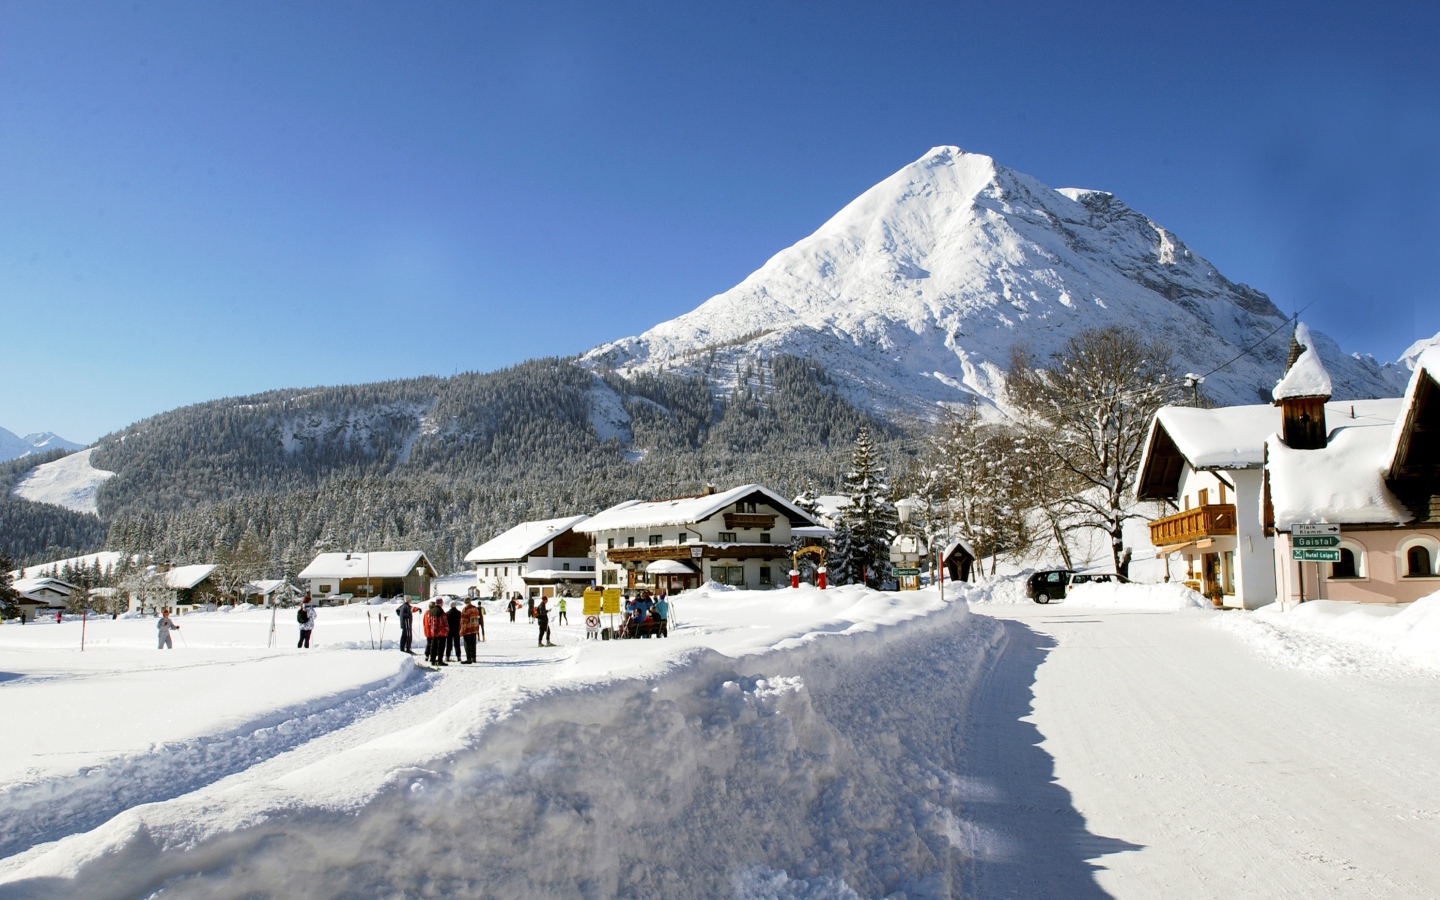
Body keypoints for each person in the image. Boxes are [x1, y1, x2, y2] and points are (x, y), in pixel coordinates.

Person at [423, 601, 448, 666]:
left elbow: (428, 622)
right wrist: (446, 629)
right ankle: (440, 660)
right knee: (441, 646)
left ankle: (432, 659)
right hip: (441, 632)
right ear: (440, 603)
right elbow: (444, 622)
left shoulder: (430, 612)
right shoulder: (441, 611)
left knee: (433, 645)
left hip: (433, 631)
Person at [460, 599, 480, 663]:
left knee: (467, 644)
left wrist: (462, 630)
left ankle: (469, 658)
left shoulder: (465, 609)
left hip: (467, 629)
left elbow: (463, 620)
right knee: (473, 644)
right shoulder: (475, 608)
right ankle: (474, 658)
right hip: (474, 628)